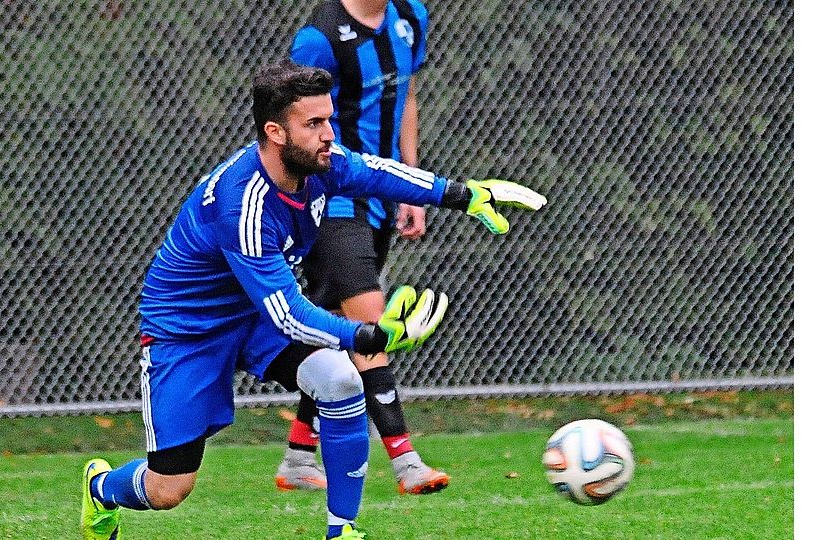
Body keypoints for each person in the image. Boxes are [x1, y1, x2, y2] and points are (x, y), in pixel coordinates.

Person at [79, 60, 546, 540]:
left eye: (329, 120)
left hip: (256, 314)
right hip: (188, 332)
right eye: (315, 124)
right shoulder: (244, 203)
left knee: (341, 380)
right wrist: (368, 334)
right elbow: (286, 313)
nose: (329, 134)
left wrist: (462, 195)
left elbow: (376, 172)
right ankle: (102, 489)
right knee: (168, 489)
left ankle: (341, 531)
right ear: (275, 132)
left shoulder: (319, 164)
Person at [277, 0, 444, 495]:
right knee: (369, 320)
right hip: (333, 202)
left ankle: (297, 458)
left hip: (381, 196)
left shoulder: (410, 16)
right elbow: (290, 125)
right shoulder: (319, 38)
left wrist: (412, 184)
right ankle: (406, 460)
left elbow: (408, 95)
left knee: (337, 331)